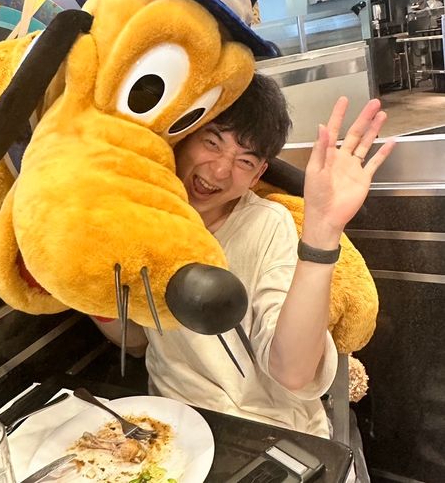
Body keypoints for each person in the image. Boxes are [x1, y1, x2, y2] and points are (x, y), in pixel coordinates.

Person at [93, 74, 395, 438]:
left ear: (258, 174)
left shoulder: (267, 225)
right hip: (171, 430)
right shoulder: (144, 218)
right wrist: (86, 279)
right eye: (212, 142)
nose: (221, 170)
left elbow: (293, 373)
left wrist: (323, 232)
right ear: (183, 134)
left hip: (269, 430)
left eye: (245, 161)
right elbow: (136, 343)